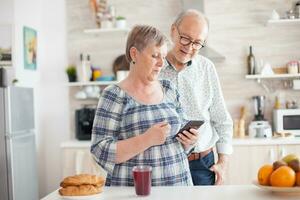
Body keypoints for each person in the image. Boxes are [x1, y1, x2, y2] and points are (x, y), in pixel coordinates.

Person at [90, 25, 199, 186]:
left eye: (163, 56)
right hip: (134, 192)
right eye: (155, 56)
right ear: (134, 54)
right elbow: (100, 150)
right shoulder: (114, 95)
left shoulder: (169, 88)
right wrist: (146, 139)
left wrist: (189, 141)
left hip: (179, 188)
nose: (162, 63)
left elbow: (181, 141)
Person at [159, 10, 233, 185]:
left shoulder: (207, 68)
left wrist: (223, 163)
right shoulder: (155, 68)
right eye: (185, 38)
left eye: (197, 43)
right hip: (165, 164)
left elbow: (222, 119)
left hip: (202, 165)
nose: (189, 47)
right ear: (173, 31)